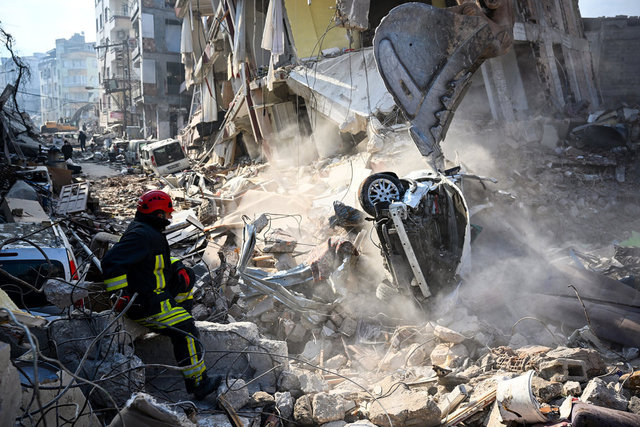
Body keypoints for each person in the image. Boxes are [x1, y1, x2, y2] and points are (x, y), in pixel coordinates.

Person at [101, 190, 218, 400]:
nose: (170, 217)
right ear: (158, 214)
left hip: (156, 294)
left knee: (187, 279)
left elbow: (157, 260)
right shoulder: (141, 235)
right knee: (187, 331)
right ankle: (198, 383)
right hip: (146, 304)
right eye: (167, 213)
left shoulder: (148, 230)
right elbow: (111, 262)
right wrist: (121, 296)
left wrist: (178, 267)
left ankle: (178, 314)